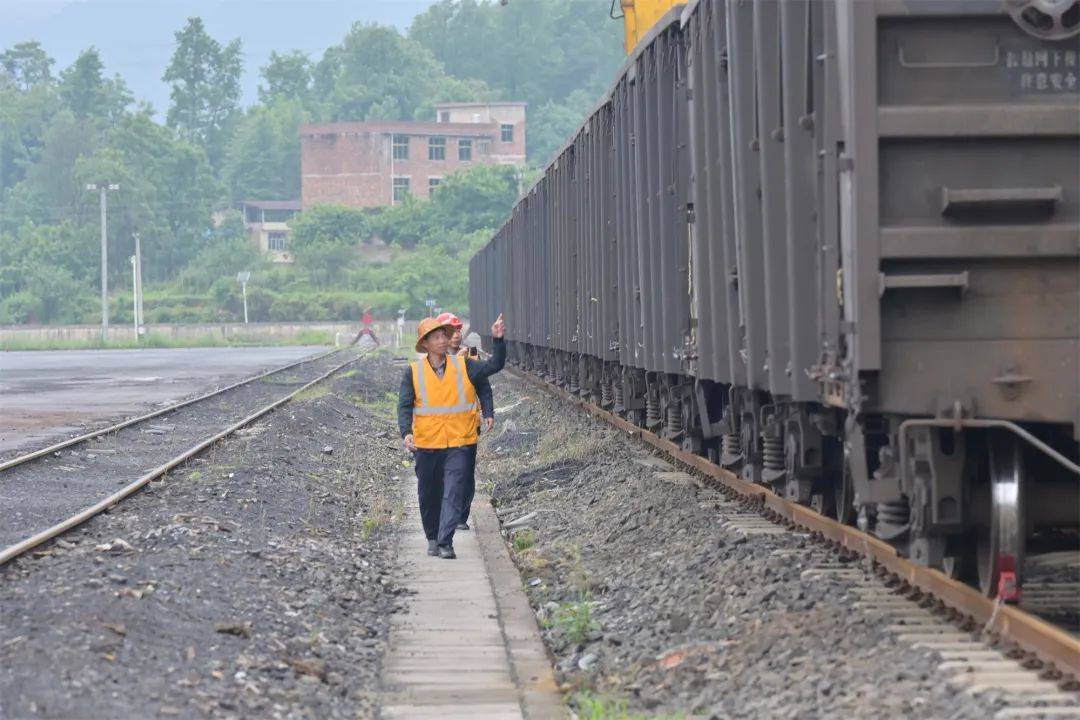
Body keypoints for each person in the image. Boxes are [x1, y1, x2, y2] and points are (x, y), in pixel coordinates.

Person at [398, 313, 506, 559]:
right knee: (429, 495)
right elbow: (404, 406)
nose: (443, 340)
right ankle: (433, 538)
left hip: (460, 441)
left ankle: (446, 541)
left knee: (454, 491)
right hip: (427, 443)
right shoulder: (413, 373)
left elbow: (493, 367)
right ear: (425, 344)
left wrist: (499, 340)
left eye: (444, 336)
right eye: (436, 337)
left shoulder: (463, 365)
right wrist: (406, 432)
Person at [437, 312, 493, 531]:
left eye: (459, 330)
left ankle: (461, 517)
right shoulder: (434, 360)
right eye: (452, 331)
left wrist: (488, 413)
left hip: (468, 426)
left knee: (466, 472)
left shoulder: (472, 358)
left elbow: (484, 388)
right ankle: (446, 510)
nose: (457, 335)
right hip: (440, 427)